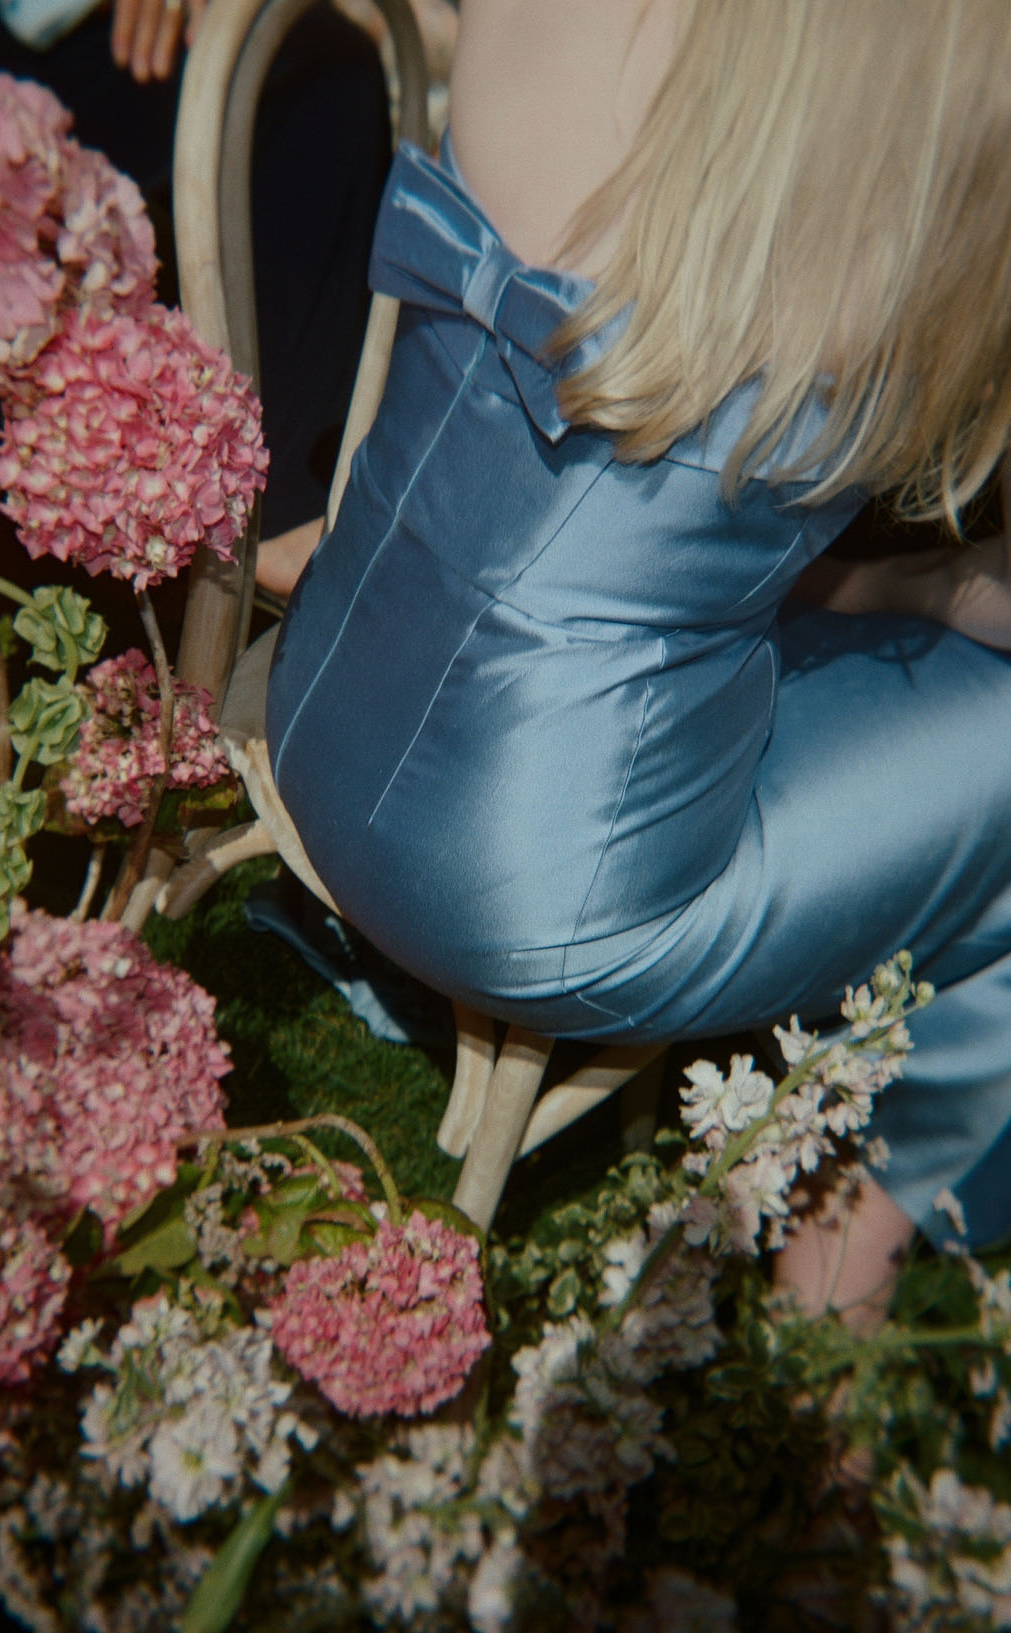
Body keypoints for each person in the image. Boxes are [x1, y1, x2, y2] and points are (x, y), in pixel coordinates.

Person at [265, 0, 1011, 1327]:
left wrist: (903, 586)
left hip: (320, 696)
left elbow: (642, 528)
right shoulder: (905, 163)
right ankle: (856, 1241)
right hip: (544, 894)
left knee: (859, 613)